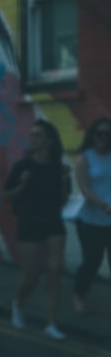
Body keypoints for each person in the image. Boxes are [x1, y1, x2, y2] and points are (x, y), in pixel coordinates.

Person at [4, 119, 69, 340]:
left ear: (49, 140)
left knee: (54, 268)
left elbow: (61, 201)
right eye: (31, 135)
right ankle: (17, 304)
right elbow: (7, 197)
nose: (33, 139)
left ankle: (51, 324)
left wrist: (64, 182)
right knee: (31, 277)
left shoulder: (57, 166)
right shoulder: (22, 167)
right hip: (29, 222)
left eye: (38, 135)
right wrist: (22, 184)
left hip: (52, 222)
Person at [71, 117, 111, 313]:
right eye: (100, 133)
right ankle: (79, 294)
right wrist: (104, 205)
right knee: (92, 261)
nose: (104, 137)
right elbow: (85, 189)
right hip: (90, 219)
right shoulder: (84, 157)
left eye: (108, 134)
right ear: (93, 135)